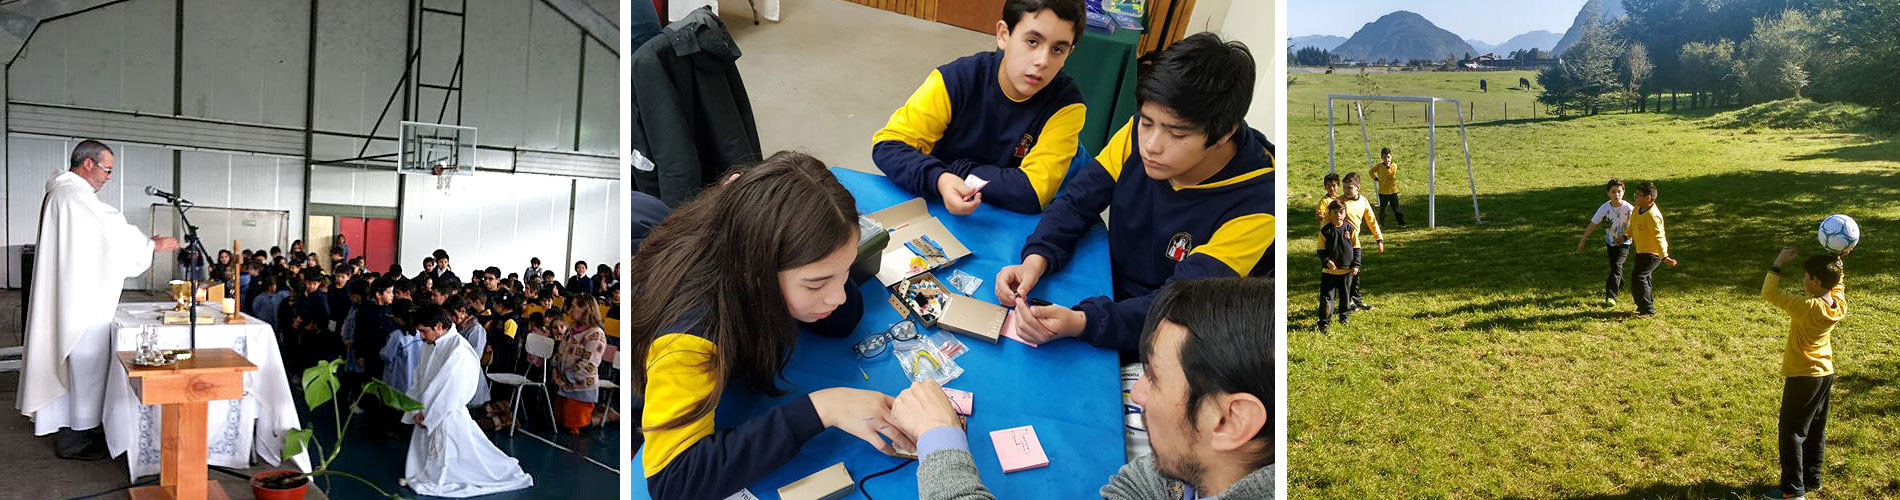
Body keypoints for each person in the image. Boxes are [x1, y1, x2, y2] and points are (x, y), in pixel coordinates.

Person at [994, 32, 1273, 353]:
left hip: (1173, 327)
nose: (1151, 145)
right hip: (1109, 286)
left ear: (1225, 133)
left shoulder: (1259, 204)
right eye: (1148, 122)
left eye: (1176, 133)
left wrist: (1082, 322)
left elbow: (1182, 304)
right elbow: (1077, 202)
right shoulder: (1137, 132)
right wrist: (1035, 260)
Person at [635, 151, 889, 500]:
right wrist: (820, 410)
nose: (839, 296)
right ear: (755, 274)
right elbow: (674, 481)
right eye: (816, 283)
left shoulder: (756, 252)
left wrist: (827, 275)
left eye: (844, 272)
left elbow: (844, 318)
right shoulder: (689, 337)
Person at [893, 277, 1276, 499]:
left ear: (1230, 420)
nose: (1137, 395)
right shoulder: (1198, 467)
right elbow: (1139, 484)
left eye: (1155, 378)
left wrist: (940, 442)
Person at [17, 140, 181, 460]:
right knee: (85, 367)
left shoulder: (66, 194)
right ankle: (75, 438)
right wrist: (149, 244)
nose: (109, 177)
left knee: (80, 368)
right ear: (88, 164)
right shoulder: (71, 195)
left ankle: (79, 430)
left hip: (77, 296)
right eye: (107, 169)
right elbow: (108, 232)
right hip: (80, 305)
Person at [870, 0, 1088, 215]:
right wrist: (940, 178)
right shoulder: (954, 80)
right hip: (940, 199)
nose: (1042, 61)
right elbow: (888, 147)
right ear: (1003, 35)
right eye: (1032, 41)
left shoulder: (1068, 106)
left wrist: (954, 169)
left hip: (1006, 219)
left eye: (1058, 49)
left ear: (1069, 53)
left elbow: (1032, 193)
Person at [401, 304, 534, 497]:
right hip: (425, 410)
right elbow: (418, 379)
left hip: (445, 412)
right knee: (436, 453)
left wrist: (429, 415)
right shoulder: (429, 345)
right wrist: (414, 408)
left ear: (439, 326)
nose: (421, 336)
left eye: (423, 331)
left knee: (461, 453)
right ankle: (428, 473)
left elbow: (450, 391)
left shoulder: (458, 350)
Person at [1759, 246, 1849, 500]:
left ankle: (1792, 490)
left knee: (1792, 432)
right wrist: (1838, 264)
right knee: (1815, 429)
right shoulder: (1837, 305)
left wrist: (1778, 263)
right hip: (1824, 374)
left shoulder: (1806, 307)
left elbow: (1769, 293)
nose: (1803, 280)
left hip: (1803, 376)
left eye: (1806, 276)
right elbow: (1838, 286)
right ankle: (1812, 479)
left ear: (1816, 281)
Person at [1619, 181, 1676, 317]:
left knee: (1639, 278)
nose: (1635, 197)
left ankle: (1647, 310)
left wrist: (1664, 256)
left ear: (1648, 198)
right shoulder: (1637, 209)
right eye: (1635, 194)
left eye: (1639, 195)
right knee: (1644, 278)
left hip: (1653, 254)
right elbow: (1633, 226)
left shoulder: (1653, 215)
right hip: (1641, 252)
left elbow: (1659, 237)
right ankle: (1644, 306)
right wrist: (1626, 236)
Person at [551, 295, 606, 434]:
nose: (571, 310)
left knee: (575, 428)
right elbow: (560, 352)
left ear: (586, 310)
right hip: (563, 385)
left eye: (575, 306)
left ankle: (605, 417)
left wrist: (565, 378)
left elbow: (589, 364)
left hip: (580, 386)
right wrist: (555, 371)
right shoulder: (571, 329)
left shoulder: (596, 334)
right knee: (559, 422)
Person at [1576, 179, 1633, 307]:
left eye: (1619, 191)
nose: (1616, 194)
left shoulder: (1629, 208)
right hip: (1610, 242)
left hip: (1625, 242)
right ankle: (1621, 283)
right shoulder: (1604, 208)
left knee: (1616, 265)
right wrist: (1583, 240)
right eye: (1613, 192)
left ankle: (1611, 296)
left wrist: (1626, 236)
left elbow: (1638, 225)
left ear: (1624, 192)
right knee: (1615, 266)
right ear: (1608, 193)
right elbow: (1593, 224)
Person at [1316, 200, 1357, 332]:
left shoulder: (1350, 229)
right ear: (1330, 213)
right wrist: (1327, 261)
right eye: (1335, 212)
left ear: (1345, 213)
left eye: (1341, 212)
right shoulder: (1325, 231)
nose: (1338, 215)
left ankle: (1344, 318)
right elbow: (1320, 251)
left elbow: (1357, 248)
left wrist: (1356, 264)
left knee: (1345, 297)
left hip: (1346, 271)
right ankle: (1324, 323)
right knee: (1327, 298)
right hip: (1330, 272)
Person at [444, 297, 490, 408]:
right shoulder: (458, 328)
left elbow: (473, 358)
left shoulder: (476, 330)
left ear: (462, 311)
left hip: (471, 383)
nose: (449, 319)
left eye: (450, 315)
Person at [1369, 147, 1406, 227]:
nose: (1387, 159)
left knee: (1396, 209)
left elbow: (1390, 174)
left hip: (1393, 192)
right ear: (1382, 157)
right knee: (1382, 210)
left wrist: (1388, 166)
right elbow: (1371, 172)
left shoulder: (1394, 165)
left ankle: (1401, 223)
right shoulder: (1379, 166)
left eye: (1388, 157)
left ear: (1391, 157)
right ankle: (1382, 224)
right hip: (1382, 192)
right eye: (1385, 157)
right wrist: (1376, 178)